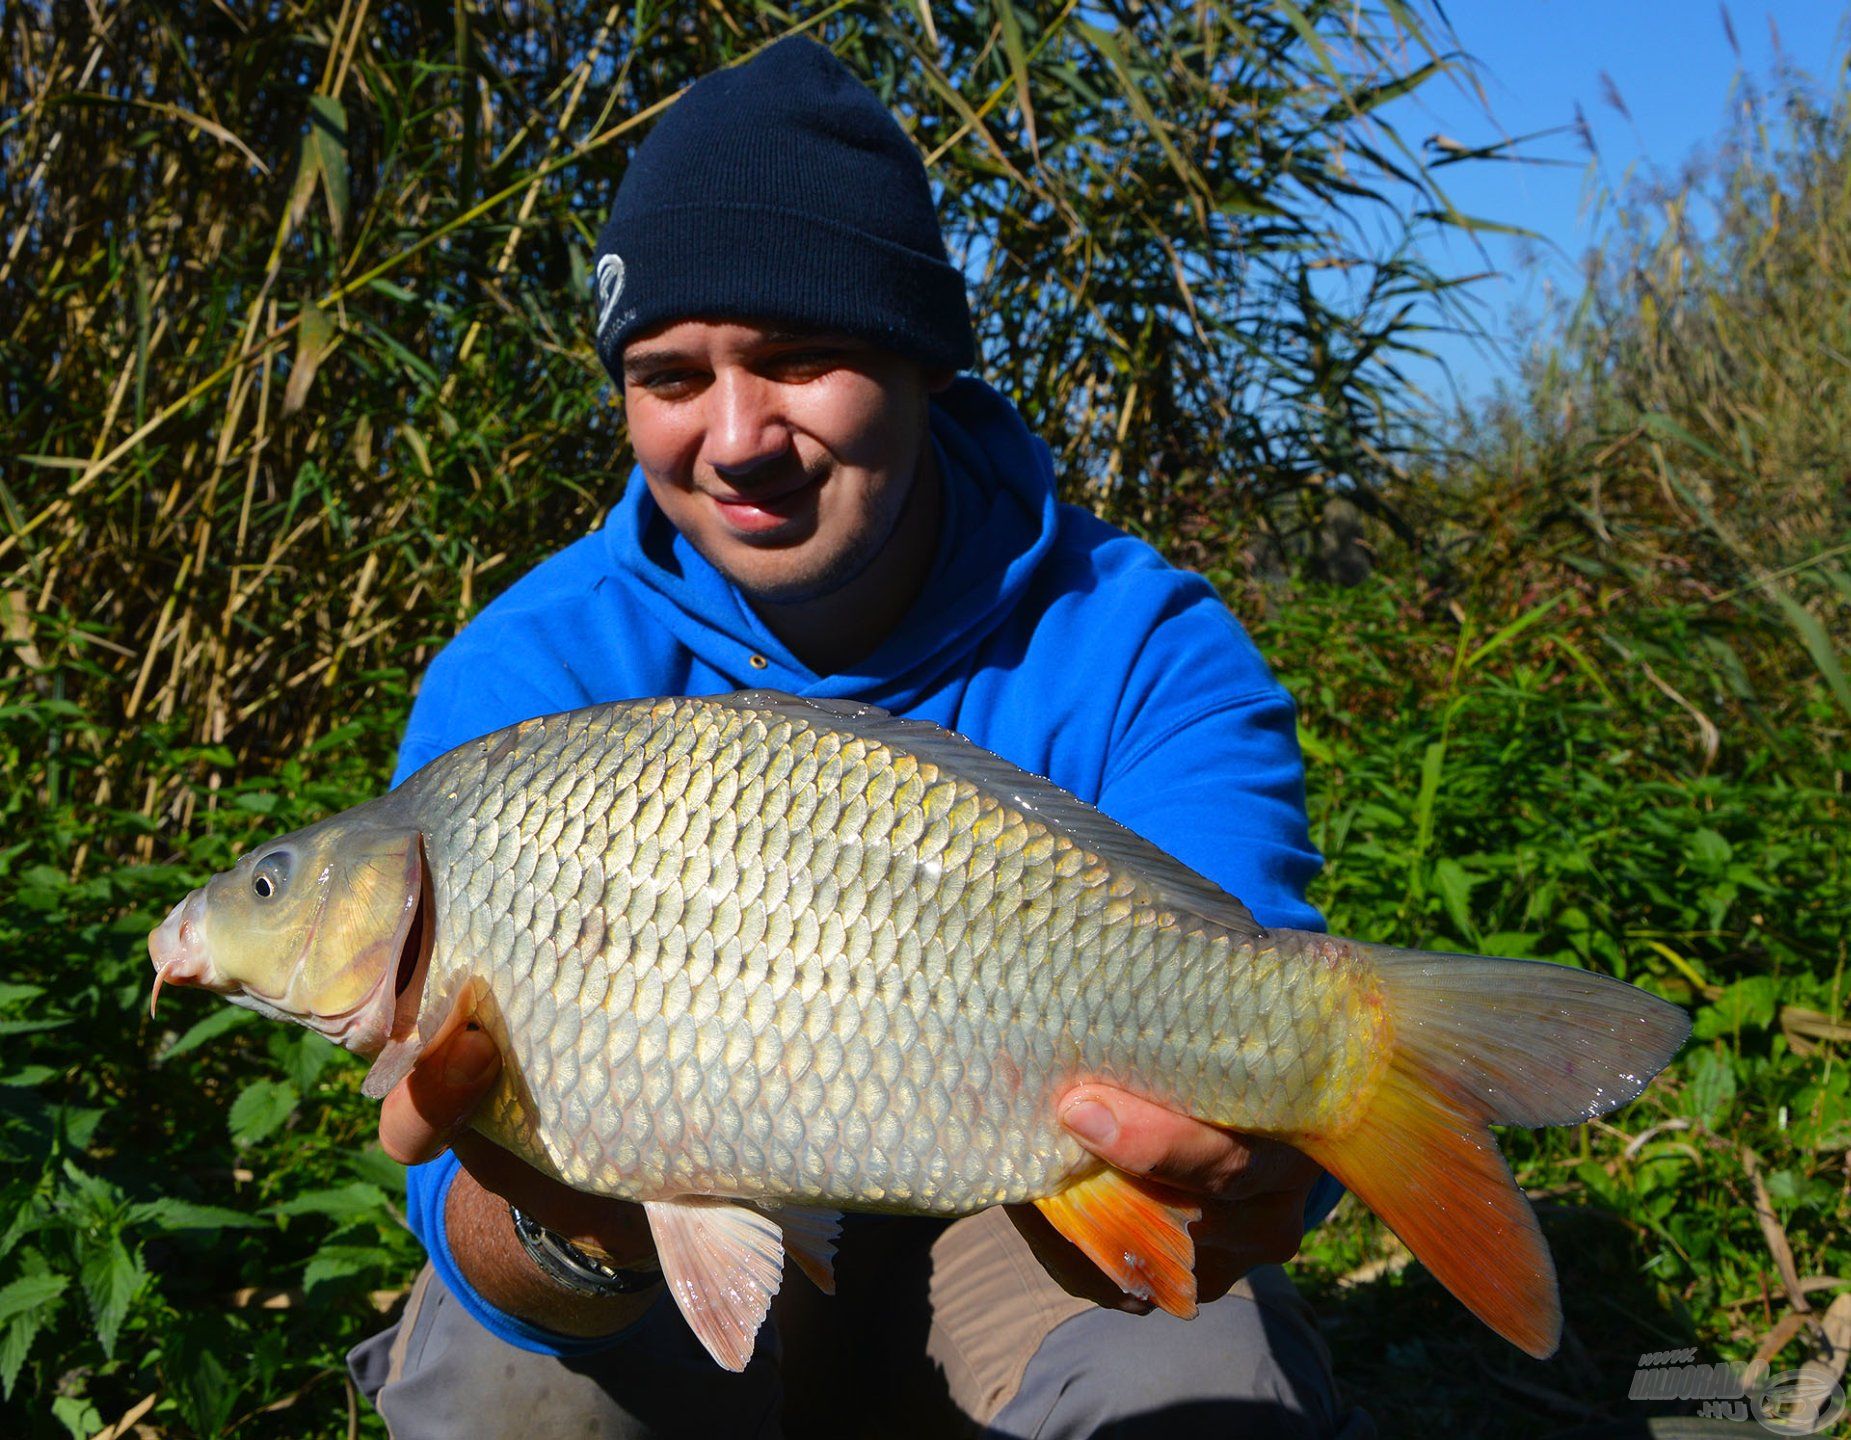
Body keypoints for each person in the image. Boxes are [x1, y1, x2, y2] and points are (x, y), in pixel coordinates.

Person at [347, 36, 1373, 1439]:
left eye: (798, 357)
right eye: (669, 375)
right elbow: (475, 1247)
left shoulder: (1142, 646)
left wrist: (1258, 1166)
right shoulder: (531, 677)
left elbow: (1260, 1059)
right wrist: (575, 1225)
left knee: (1198, 1395)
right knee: (509, 1394)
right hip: (686, 1259)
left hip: (1030, 1222)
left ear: (919, 364)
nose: (735, 436)